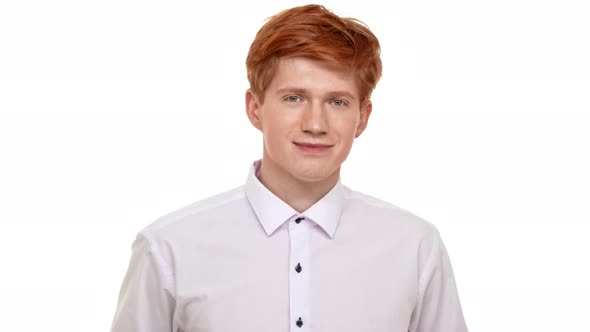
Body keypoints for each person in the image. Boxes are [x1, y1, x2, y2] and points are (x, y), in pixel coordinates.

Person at [110, 4, 468, 332]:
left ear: (362, 118)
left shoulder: (415, 247)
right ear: (254, 108)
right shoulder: (168, 247)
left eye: (337, 101)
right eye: (294, 98)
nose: (315, 123)